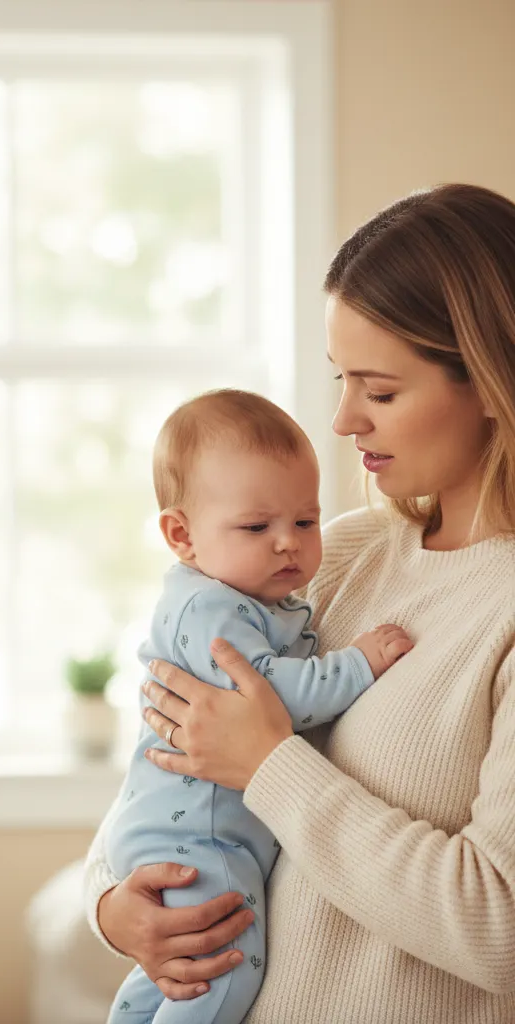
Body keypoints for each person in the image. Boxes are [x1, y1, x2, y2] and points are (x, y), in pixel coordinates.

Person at [83, 182, 515, 1023]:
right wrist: (114, 906)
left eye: (380, 391)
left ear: (493, 381)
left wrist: (272, 766)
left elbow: (499, 926)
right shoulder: (332, 555)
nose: (344, 418)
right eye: (340, 379)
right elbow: (168, 770)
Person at [104, 389, 412, 1024]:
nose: (288, 545)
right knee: (223, 970)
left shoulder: (248, 594)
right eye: (256, 527)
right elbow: (271, 701)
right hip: (201, 838)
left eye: (304, 521)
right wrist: (358, 662)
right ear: (181, 535)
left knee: (163, 986)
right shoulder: (211, 609)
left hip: (186, 829)